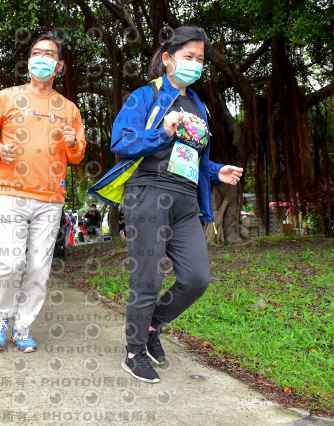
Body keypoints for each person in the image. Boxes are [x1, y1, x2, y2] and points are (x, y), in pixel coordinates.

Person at [100, 26, 243, 383]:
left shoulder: (199, 105)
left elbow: (190, 155)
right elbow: (121, 142)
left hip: (186, 200)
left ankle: (152, 325)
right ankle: (134, 352)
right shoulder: (145, 95)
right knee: (147, 279)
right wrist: (161, 132)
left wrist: (216, 170)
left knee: (197, 278)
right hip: (148, 191)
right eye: (188, 56)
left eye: (200, 59)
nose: (195, 64)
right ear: (167, 59)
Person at [0, 32, 86, 352]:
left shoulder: (69, 109)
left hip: (50, 199)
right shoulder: (7, 97)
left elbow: (78, 154)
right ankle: (0, 319)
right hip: (11, 192)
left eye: (49, 55)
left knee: (39, 268)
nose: (42, 59)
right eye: (37, 53)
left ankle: (22, 327)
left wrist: (72, 143)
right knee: (11, 263)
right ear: (28, 62)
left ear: (59, 66)